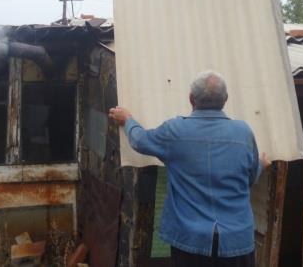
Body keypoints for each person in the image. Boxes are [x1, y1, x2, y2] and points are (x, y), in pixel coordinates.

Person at [109, 70, 270, 267]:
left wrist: (128, 120)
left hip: (191, 240)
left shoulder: (175, 131)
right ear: (226, 99)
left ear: (191, 98)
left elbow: (140, 141)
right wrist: (260, 165)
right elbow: (249, 179)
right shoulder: (244, 133)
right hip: (236, 239)